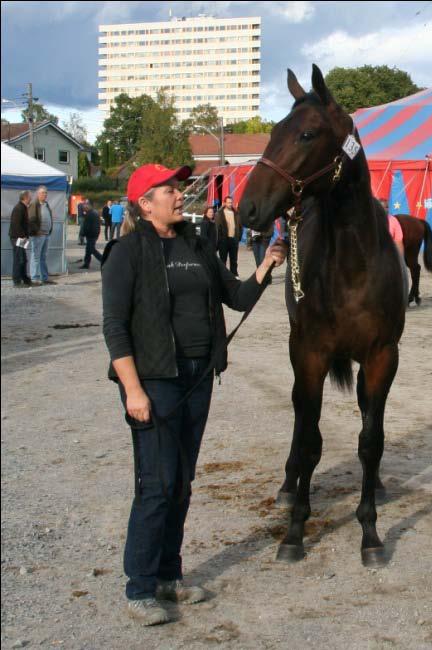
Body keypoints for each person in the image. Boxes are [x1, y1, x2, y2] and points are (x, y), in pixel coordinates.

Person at [101, 163, 287, 627]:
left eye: (178, 188)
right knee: (157, 484)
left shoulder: (197, 244)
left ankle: (168, 575)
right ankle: (139, 587)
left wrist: (266, 265)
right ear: (145, 203)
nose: (179, 195)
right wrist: (133, 390)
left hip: (198, 377)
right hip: (156, 381)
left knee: (181, 481)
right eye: (168, 190)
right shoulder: (126, 252)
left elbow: (237, 298)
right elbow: (115, 328)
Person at [27, 185, 56, 285]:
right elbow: (31, 220)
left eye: (46, 193)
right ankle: (34, 278)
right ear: (38, 194)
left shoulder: (46, 204)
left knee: (43, 257)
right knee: (35, 256)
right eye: (43, 193)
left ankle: (44, 277)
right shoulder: (34, 204)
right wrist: (37, 230)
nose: (45, 194)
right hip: (38, 235)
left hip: (46, 234)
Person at [9, 190, 33, 288]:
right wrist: (23, 236)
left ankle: (25, 279)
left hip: (21, 238)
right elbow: (16, 224)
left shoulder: (23, 208)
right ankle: (17, 281)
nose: (31, 198)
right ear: (25, 197)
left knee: (23, 259)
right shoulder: (19, 208)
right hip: (17, 238)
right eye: (30, 196)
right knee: (19, 259)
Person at [215, 196, 242, 276]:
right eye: (228, 202)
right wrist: (219, 240)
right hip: (224, 240)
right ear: (224, 203)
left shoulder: (236, 213)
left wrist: (238, 237)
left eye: (231, 202)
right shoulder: (219, 214)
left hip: (234, 239)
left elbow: (240, 226)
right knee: (223, 260)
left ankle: (234, 275)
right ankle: (223, 276)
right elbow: (217, 228)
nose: (230, 204)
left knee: (234, 260)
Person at [78, 200, 103, 269]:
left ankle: (104, 260)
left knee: (92, 249)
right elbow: (97, 225)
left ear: (88, 206)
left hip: (91, 234)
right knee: (88, 250)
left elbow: (87, 226)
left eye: (85, 206)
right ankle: (86, 264)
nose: (83, 207)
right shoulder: (94, 212)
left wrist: (83, 234)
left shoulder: (90, 214)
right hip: (94, 234)